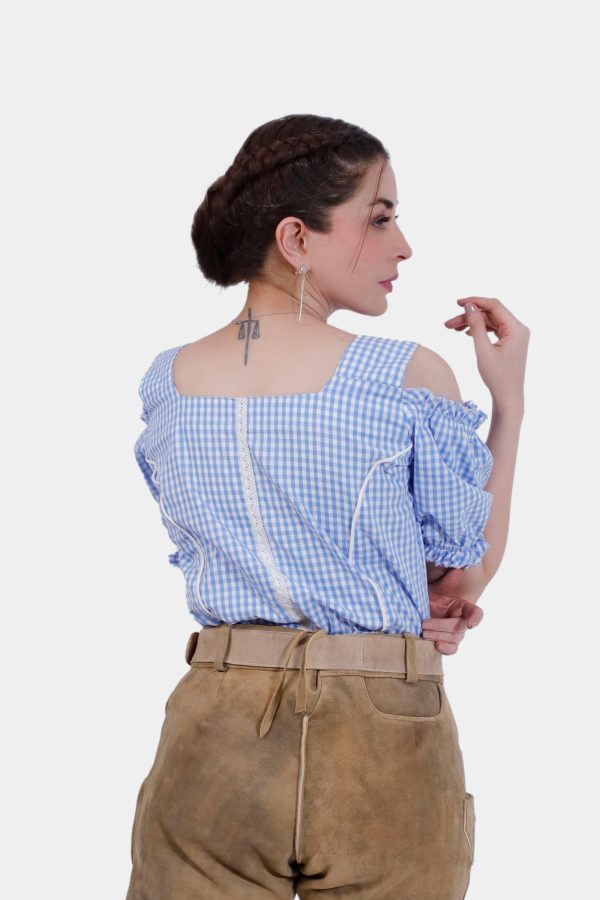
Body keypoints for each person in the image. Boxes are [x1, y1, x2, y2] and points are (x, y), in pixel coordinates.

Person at [125, 114, 529, 899]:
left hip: (215, 725)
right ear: (296, 239)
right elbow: (461, 572)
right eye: (379, 219)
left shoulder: (167, 381)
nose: (403, 247)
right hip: (381, 731)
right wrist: (508, 403)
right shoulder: (406, 375)